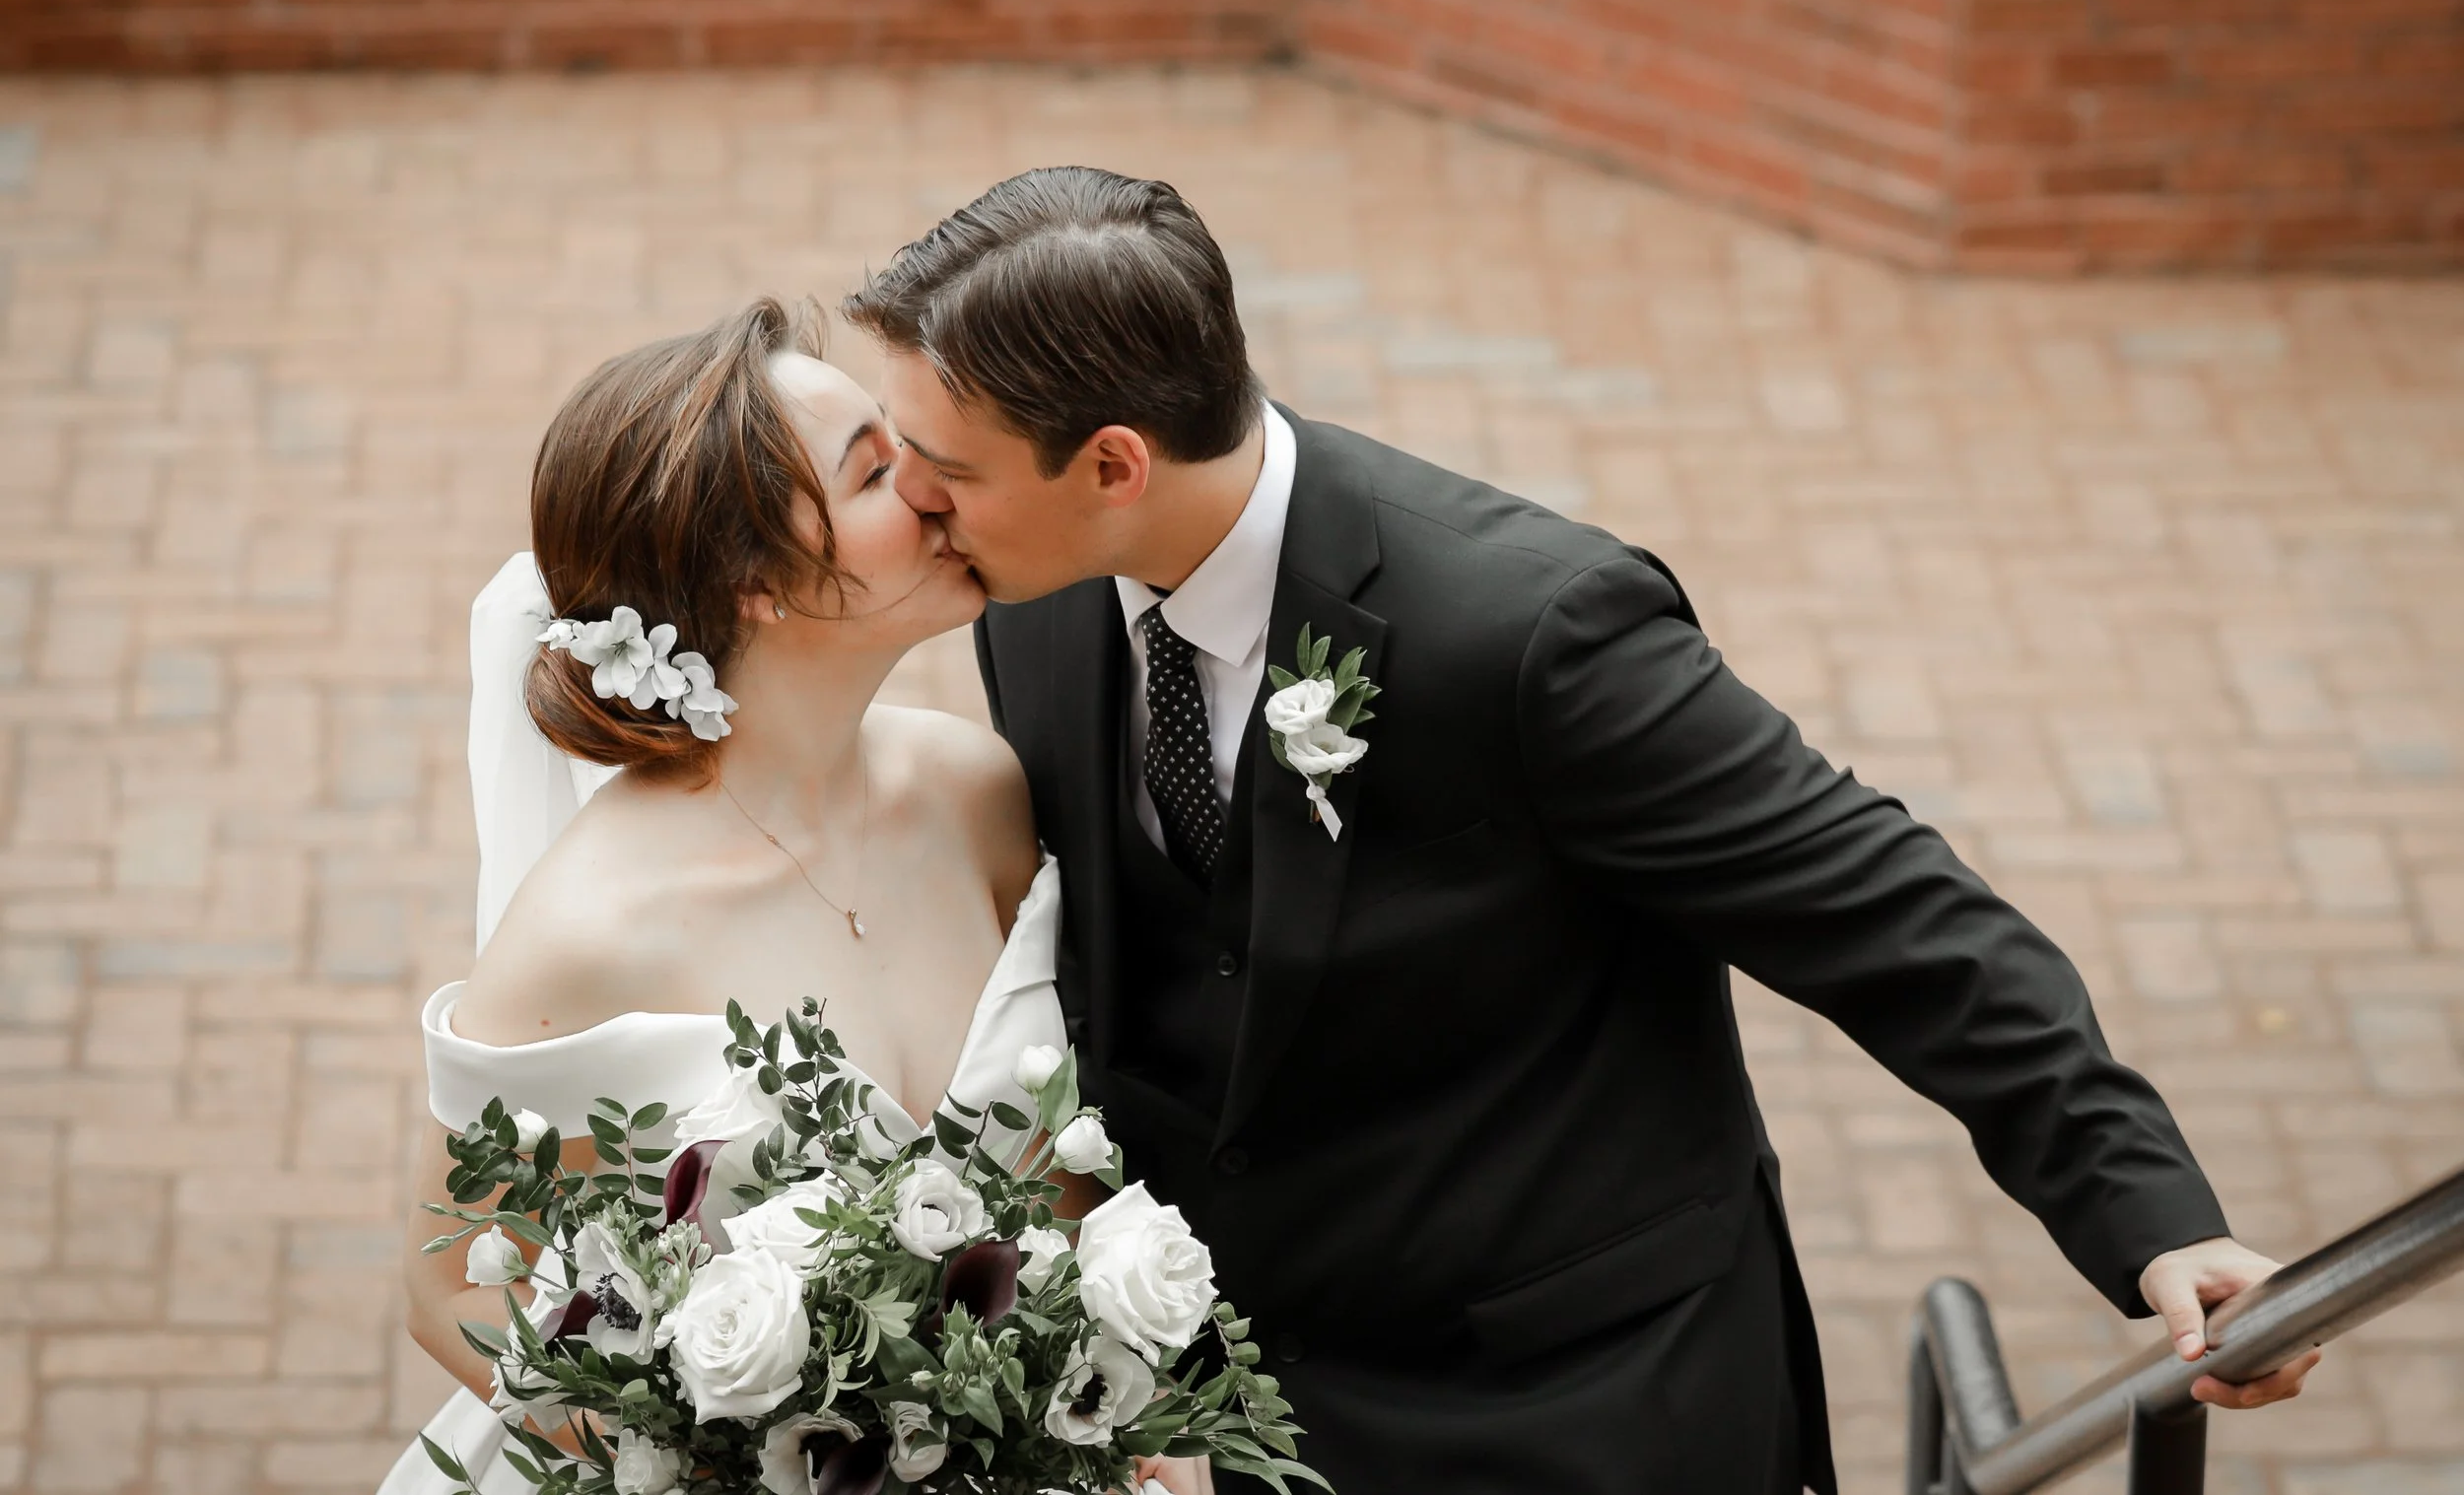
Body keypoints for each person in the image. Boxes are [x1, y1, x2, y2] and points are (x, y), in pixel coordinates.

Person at [844, 166, 2320, 1495]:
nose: (911, 500)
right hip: (1247, 1395)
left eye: (946, 466)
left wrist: (2150, 1216)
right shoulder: (1032, 600)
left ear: (1113, 464)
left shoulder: (1533, 630)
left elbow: (1885, 910)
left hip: (1569, 1395)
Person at [379, 298, 1202, 1494]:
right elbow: (444, 1282)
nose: (933, 485)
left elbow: (1057, 1158)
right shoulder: (590, 931)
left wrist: (1136, 1416)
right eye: (877, 472)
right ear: (759, 581)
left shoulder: (974, 788)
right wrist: (691, 1461)